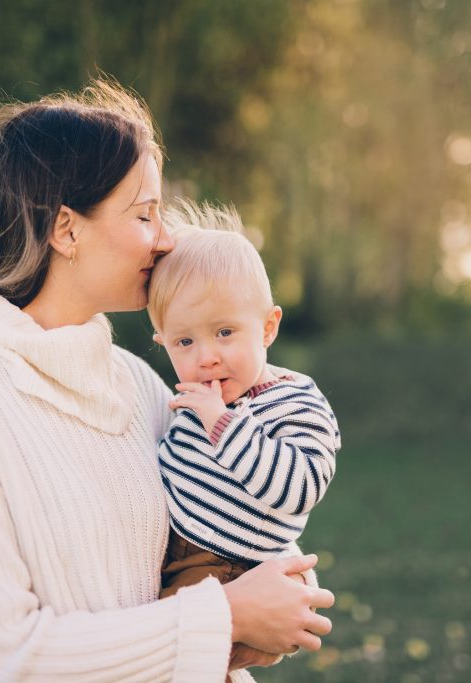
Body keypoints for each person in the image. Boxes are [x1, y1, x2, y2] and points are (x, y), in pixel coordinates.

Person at [0, 81, 334, 683]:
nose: (166, 239)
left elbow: (206, 531)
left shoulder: (137, 385)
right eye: (144, 214)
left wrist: (277, 579)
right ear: (66, 229)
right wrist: (228, 615)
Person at [144, 205, 340, 678]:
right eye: (184, 343)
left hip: (228, 564)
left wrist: (224, 425)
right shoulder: (192, 397)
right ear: (162, 342)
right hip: (177, 550)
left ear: (268, 327)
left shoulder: (295, 401)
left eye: (225, 333)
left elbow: (300, 486)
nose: (206, 357)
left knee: (175, 659)